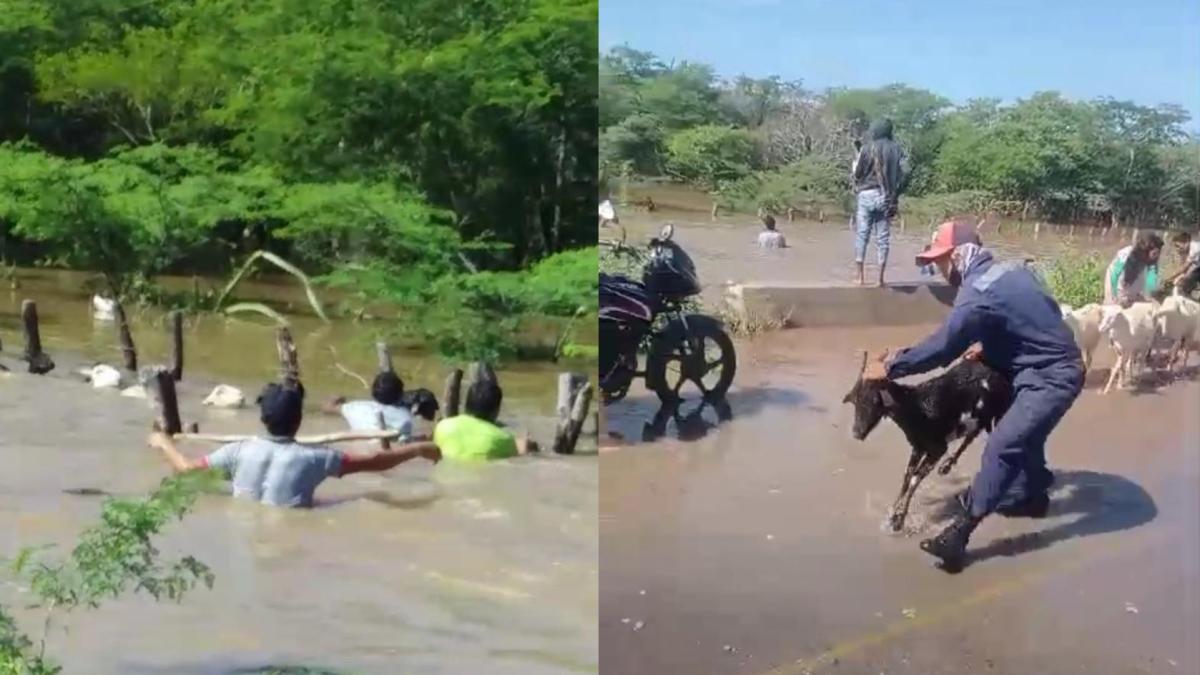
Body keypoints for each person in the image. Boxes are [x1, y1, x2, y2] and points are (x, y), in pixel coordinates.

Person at [861, 220, 1083, 570]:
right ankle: (1032, 495)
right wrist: (991, 348)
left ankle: (959, 535)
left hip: (1052, 378)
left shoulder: (976, 293)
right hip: (1042, 366)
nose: (938, 268)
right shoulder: (1010, 270)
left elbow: (942, 348)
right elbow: (1040, 315)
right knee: (1023, 434)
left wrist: (890, 367)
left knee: (1004, 444)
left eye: (940, 260)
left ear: (960, 255)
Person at [147, 381, 441, 508]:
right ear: (299, 421)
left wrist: (163, 444)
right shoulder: (316, 458)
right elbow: (378, 462)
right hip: (294, 522)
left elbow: (186, 470)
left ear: (262, 418)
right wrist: (418, 448)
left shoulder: (237, 451)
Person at [852, 119, 907, 286]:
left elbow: (858, 173)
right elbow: (906, 172)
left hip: (866, 194)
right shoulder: (897, 149)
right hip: (885, 196)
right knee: (882, 238)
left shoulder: (867, 148)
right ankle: (880, 280)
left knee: (862, 235)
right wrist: (897, 191)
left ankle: (860, 278)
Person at [433, 376, 532, 461]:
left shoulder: (442, 426)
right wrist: (526, 444)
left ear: (467, 403)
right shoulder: (503, 438)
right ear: (496, 410)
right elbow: (522, 453)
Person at [321, 371, 417, 440]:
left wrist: (339, 398)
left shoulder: (355, 407)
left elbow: (327, 407)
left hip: (360, 449)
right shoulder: (405, 418)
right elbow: (405, 442)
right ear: (401, 394)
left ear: (373, 392)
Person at [1104, 233, 1164, 305]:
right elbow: (1113, 275)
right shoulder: (1125, 254)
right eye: (1155, 253)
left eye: (1158, 253)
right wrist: (1113, 296)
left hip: (1133, 295)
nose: (1157, 256)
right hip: (1118, 293)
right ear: (1145, 249)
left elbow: (1151, 281)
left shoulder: (1151, 261)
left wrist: (1152, 293)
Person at [1164, 230, 1200, 297]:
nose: (1178, 248)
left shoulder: (1195, 248)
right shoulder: (1191, 249)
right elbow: (1187, 268)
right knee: (1186, 279)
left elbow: (1184, 268)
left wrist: (1169, 278)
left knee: (1186, 281)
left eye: (1178, 245)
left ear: (1185, 241)